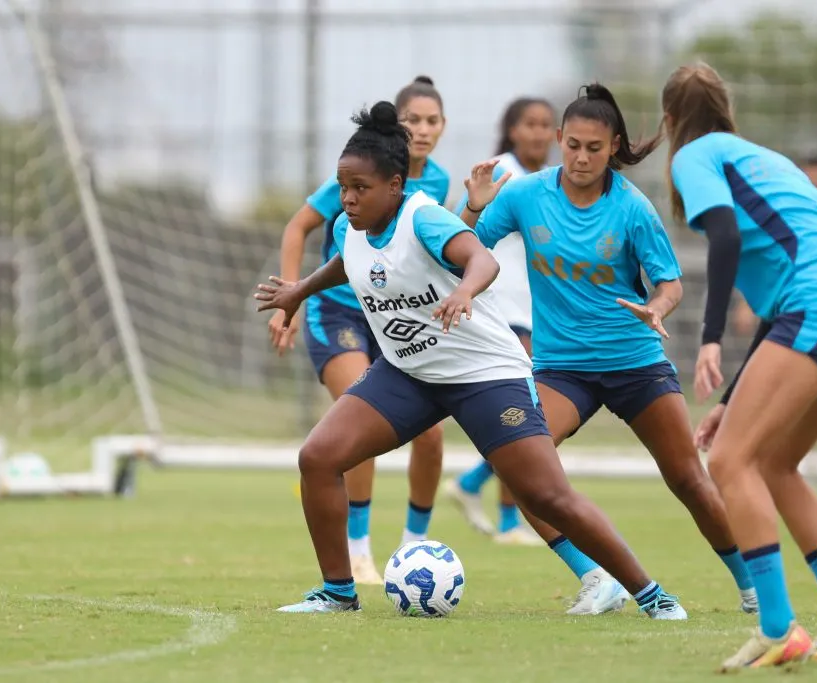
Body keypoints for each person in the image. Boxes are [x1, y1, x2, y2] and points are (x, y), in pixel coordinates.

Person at [256, 101, 685, 619]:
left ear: (396, 185)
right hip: (409, 373)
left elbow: (480, 258)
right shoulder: (352, 227)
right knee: (319, 458)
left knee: (547, 495)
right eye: (343, 187)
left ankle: (649, 593)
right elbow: (345, 263)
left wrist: (464, 293)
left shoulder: (426, 218)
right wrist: (299, 290)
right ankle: (338, 591)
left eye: (360, 188)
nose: (348, 199)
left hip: (485, 374)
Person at [458, 83, 755, 617]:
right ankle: (597, 578)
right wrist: (473, 211)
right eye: (572, 145)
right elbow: (462, 252)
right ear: (558, 140)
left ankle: (752, 583)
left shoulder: (633, 209)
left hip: (635, 363)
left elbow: (668, 283)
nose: (581, 157)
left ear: (613, 145)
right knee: (521, 466)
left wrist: (658, 309)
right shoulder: (525, 195)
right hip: (562, 369)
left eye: (594, 148)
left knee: (688, 478)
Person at [665, 62, 817, 670]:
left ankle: (777, 628)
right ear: (725, 108)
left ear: (669, 122)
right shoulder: (765, 159)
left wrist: (710, 337)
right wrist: (728, 402)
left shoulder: (695, 156)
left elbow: (724, 237)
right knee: (772, 462)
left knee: (729, 462)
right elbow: (777, 307)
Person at [270, 76, 449, 585]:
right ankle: (359, 550)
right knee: (357, 417)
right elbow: (297, 226)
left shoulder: (437, 184)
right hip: (341, 312)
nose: (421, 128)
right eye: (412, 118)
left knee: (432, 434)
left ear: (443, 127)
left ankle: (415, 552)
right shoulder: (358, 172)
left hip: (396, 316)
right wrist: (292, 297)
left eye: (431, 120)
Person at [444, 97, 557, 547]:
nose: (539, 132)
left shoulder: (547, 182)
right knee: (528, 413)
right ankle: (508, 520)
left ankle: (473, 483)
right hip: (501, 310)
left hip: (529, 310)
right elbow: (460, 231)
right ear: (511, 130)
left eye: (547, 124)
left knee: (530, 413)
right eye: (530, 123)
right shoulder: (504, 175)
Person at [731, 154, 817, 460]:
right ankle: (778, 460)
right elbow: (763, 262)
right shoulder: (783, 214)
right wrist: (745, 304)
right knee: (781, 393)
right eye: (811, 176)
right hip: (790, 314)